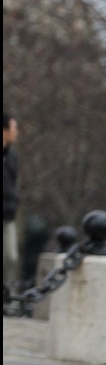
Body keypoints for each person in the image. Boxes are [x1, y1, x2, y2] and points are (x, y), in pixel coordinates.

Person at [2, 112, 19, 296]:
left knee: (11, 257)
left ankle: (9, 298)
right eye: (14, 128)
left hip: (8, 214)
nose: (16, 132)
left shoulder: (12, 156)